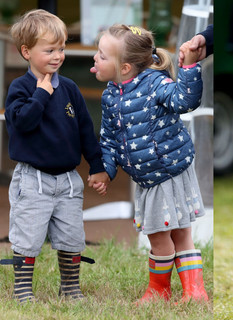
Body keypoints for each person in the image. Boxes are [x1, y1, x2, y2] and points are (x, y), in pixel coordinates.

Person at [90, 24, 208, 303]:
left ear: (126, 67)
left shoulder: (156, 84)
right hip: (150, 174)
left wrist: (189, 69)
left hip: (165, 172)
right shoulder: (110, 95)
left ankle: (159, 291)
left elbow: (185, 100)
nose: (95, 58)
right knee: (178, 233)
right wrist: (106, 171)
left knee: (160, 235)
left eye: (102, 55)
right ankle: (194, 292)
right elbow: (107, 139)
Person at [0, 9, 110, 303]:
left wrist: (97, 166)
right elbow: (21, 123)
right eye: (49, 50)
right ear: (26, 51)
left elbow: (86, 130)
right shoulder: (20, 88)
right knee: (28, 236)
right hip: (32, 180)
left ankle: (70, 288)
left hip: (68, 181)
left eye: (61, 48)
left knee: (72, 236)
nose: (57, 55)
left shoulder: (71, 89)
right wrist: (42, 94)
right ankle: (23, 289)